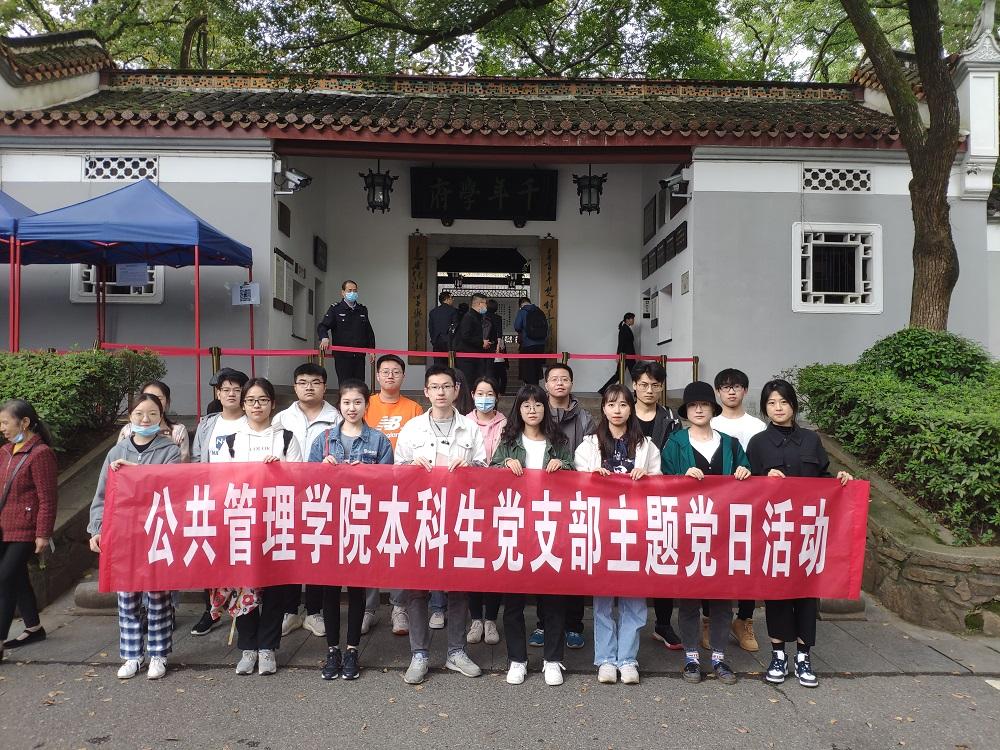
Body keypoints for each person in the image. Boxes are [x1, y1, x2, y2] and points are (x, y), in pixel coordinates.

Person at [746, 379, 853, 689]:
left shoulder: (811, 440)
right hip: (775, 532)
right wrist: (763, 478)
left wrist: (840, 481)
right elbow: (747, 488)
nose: (778, 408)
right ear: (765, 408)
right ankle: (778, 655)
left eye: (783, 402)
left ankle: (804, 657)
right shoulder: (758, 443)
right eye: (771, 403)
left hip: (807, 532)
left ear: (793, 405)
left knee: (807, 593)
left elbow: (823, 479)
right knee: (777, 593)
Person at [393, 365, 486, 685]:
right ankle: (419, 654)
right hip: (421, 514)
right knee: (417, 587)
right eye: (434, 387)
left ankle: (456, 651)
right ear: (426, 392)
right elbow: (396, 471)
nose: (441, 392)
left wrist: (470, 466)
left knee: (458, 585)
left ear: (456, 390)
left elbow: (486, 468)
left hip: (459, 515)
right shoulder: (412, 428)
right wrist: (411, 466)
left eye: (447, 386)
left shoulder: (470, 428)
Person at [661, 381, 752, 687]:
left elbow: (749, 481)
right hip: (688, 530)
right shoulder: (675, 443)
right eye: (692, 405)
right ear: (686, 411)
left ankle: (719, 657)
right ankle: (691, 656)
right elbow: (661, 483)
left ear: (713, 408)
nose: (698, 410)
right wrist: (680, 477)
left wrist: (744, 472)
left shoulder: (731, 444)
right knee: (689, 598)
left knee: (722, 599)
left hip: (723, 532)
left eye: (704, 404)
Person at [213, 377, 302, 677]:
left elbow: (300, 481)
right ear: (243, 404)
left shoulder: (286, 438)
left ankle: (268, 648)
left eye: (263, 400)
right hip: (241, 523)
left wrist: (281, 470)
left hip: (278, 523)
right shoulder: (231, 440)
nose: (256, 406)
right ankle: (248, 647)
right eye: (251, 400)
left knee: (276, 589)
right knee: (243, 587)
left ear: (272, 404)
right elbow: (220, 481)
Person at [88, 393, 181, 679]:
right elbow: (101, 495)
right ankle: (131, 655)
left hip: (156, 532)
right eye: (139, 413)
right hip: (123, 534)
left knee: (158, 597)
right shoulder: (116, 452)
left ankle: (158, 654)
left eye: (152, 414)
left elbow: (173, 486)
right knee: (127, 597)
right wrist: (97, 529)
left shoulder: (170, 450)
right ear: (130, 416)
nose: (145, 419)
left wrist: (138, 472)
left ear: (161, 417)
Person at [574, 385, 660, 685]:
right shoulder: (589, 444)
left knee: (634, 598)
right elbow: (576, 484)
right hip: (602, 528)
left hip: (636, 529)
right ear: (603, 408)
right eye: (611, 404)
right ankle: (606, 659)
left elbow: (661, 484)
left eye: (623, 404)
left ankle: (628, 658)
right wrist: (592, 477)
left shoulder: (646, 445)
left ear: (631, 408)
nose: (617, 410)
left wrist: (648, 478)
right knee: (602, 599)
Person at [308, 380, 393, 681]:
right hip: (329, 523)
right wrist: (322, 469)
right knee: (330, 589)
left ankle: (353, 649)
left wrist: (368, 474)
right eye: (346, 402)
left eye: (358, 402)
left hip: (362, 523)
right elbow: (307, 482)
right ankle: (333, 650)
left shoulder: (379, 441)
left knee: (357, 589)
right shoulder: (323, 440)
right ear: (339, 405)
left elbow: (389, 484)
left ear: (367, 405)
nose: (352, 408)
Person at [491, 384, 574, 686]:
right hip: (515, 525)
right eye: (526, 405)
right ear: (519, 410)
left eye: (537, 404)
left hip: (550, 526)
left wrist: (563, 466)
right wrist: (504, 465)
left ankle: (553, 659)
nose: (532, 410)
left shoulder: (559, 441)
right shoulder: (508, 441)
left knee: (553, 597)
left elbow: (575, 475)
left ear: (545, 408)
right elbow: (489, 475)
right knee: (513, 599)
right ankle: (517, 659)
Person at [272, 363, 343, 639]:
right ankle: (289, 611)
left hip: (322, 496)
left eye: (315, 382)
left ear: (324, 387)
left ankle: (314, 611)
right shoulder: (281, 418)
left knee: (316, 551)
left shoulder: (336, 418)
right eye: (302, 382)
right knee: (289, 552)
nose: (309, 387)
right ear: (295, 387)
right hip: (287, 496)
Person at [532, 362, 594, 650]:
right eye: (554, 379)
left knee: (573, 563)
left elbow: (591, 452)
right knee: (543, 559)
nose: (559, 383)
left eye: (564, 379)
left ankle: (573, 625)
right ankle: (543, 624)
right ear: (546, 384)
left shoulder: (585, 418)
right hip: (541, 499)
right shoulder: (537, 412)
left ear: (571, 383)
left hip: (575, 499)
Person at [364, 354, 424, 636]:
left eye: (396, 371)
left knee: (400, 544)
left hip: (403, 488)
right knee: (367, 546)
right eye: (385, 371)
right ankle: (368, 608)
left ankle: (399, 607)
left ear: (403, 376)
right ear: (377, 376)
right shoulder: (366, 405)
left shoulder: (414, 408)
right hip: (369, 488)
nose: (390, 376)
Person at [711, 368, 767, 653]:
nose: (731, 391)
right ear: (718, 392)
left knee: (748, 562)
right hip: (715, 507)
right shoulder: (710, 422)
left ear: (745, 390)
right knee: (712, 560)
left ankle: (744, 619)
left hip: (749, 504)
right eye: (725, 387)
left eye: (736, 387)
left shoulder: (758, 426)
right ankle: (709, 620)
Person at [189, 367, 248, 637]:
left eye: (237, 389)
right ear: (218, 394)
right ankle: (211, 610)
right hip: (213, 500)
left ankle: (243, 610)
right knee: (210, 556)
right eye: (226, 390)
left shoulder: (252, 420)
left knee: (240, 556)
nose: (231, 394)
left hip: (244, 500)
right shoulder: (207, 424)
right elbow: (197, 459)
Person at [630, 361, 684, 651]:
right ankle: (626, 623)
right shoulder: (623, 412)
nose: (649, 390)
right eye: (643, 384)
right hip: (626, 500)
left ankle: (663, 623)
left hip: (663, 499)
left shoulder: (671, 418)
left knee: (663, 557)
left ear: (662, 387)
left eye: (655, 385)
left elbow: (677, 452)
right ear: (634, 386)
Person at [0, 400, 57, 663]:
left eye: (5, 422)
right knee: (17, 577)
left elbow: (48, 498)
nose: (2, 428)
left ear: (24, 422)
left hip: (25, 529)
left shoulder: (41, 453)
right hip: (3, 527)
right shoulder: (5, 451)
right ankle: (34, 628)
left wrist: (43, 533)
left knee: (4, 580)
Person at [465, 376, 507, 646]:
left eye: (489, 393)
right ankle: (475, 619)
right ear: (472, 395)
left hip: (498, 499)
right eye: (480, 393)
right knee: (472, 558)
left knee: (494, 558)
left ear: (497, 396)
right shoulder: (463, 423)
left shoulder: (506, 424)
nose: (484, 398)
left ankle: (490, 619)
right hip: (469, 499)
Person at [317, 279, 376, 385]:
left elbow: (368, 331)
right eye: (349, 290)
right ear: (343, 292)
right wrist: (324, 338)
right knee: (345, 384)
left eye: (355, 290)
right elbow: (323, 326)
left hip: (359, 356)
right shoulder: (335, 309)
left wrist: (372, 349)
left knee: (359, 385)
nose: (352, 293)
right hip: (342, 356)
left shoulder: (362, 309)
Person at [118, 380, 190, 462]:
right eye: (147, 397)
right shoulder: (127, 430)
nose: (152, 402)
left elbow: (183, 464)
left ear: (167, 402)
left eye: (158, 398)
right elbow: (117, 461)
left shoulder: (178, 431)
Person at [455, 292, 492, 386]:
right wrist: (481, 342)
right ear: (479, 304)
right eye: (485, 303)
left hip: (474, 356)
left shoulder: (476, 317)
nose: (486, 306)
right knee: (469, 383)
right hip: (468, 358)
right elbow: (465, 336)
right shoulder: (469, 317)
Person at [513, 297, 548, 385]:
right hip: (541, 345)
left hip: (528, 344)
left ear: (521, 304)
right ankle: (536, 387)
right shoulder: (539, 311)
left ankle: (530, 388)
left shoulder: (522, 311)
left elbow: (517, 326)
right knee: (537, 368)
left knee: (527, 369)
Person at [599, 313, 637, 394]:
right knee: (623, 374)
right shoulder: (624, 329)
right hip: (626, 356)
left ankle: (603, 390)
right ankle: (603, 390)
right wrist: (618, 355)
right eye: (632, 318)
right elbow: (621, 343)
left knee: (628, 374)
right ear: (627, 319)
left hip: (628, 356)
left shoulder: (626, 328)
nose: (633, 320)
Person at [428, 290, 459, 367]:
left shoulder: (433, 312)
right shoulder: (453, 311)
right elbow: (455, 326)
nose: (453, 300)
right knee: (450, 366)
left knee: (438, 364)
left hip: (436, 342)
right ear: (447, 299)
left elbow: (431, 328)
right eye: (451, 298)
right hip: (449, 343)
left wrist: (433, 340)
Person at [486, 298, 508, 394]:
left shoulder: (483, 316)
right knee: (498, 370)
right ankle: (499, 391)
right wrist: (498, 347)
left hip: (484, 346)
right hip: (494, 345)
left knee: (488, 369)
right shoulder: (498, 318)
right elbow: (499, 334)